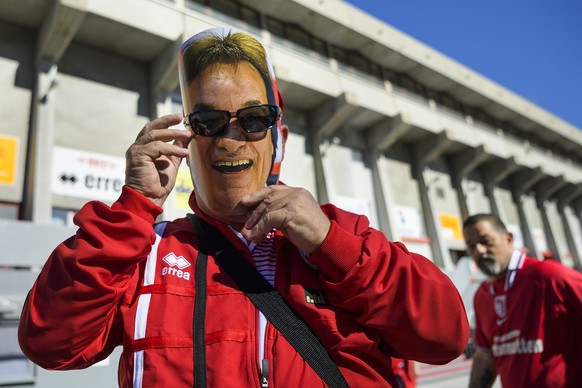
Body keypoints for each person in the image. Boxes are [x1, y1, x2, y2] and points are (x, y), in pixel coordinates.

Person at [18, 27, 470, 387]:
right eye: (209, 121)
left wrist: (331, 245)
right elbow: (50, 343)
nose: (231, 139)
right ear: (186, 144)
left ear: (281, 140)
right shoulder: (146, 252)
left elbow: (445, 336)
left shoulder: (344, 238)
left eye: (254, 120)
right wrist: (134, 208)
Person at [463, 214, 582, 387]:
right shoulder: (481, 297)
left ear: (509, 239)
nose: (479, 251)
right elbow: (486, 357)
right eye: (471, 246)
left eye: (485, 241)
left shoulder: (550, 276)